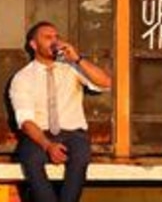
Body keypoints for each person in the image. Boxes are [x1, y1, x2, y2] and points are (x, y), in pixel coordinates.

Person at [9, 21, 112, 202]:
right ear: (33, 45)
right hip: (39, 134)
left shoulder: (72, 67)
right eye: (47, 38)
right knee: (31, 159)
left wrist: (77, 59)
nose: (54, 42)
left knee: (80, 156)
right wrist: (48, 145)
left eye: (56, 37)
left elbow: (105, 83)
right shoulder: (22, 77)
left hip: (73, 133)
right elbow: (25, 121)